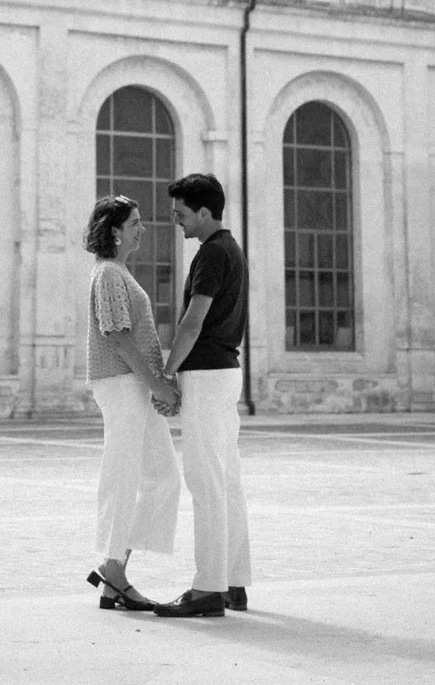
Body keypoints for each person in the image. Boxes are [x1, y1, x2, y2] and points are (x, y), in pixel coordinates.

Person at [153, 172, 251, 619]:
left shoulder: (212, 254)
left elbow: (193, 322)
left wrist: (167, 372)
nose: (177, 222)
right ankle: (233, 581)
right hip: (225, 373)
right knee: (225, 479)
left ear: (205, 212)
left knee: (205, 481)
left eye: (182, 214)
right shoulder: (230, 248)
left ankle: (208, 588)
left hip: (207, 374)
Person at [83, 194, 181, 611]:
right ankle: (114, 571)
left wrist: (154, 383)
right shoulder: (108, 273)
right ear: (115, 230)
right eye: (135, 222)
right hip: (122, 383)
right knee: (122, 475)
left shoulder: (119, 271)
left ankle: (113, 570)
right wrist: (157, 385)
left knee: (163, 475)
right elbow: (118, 336)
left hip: (132, 385)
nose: (142, 228)